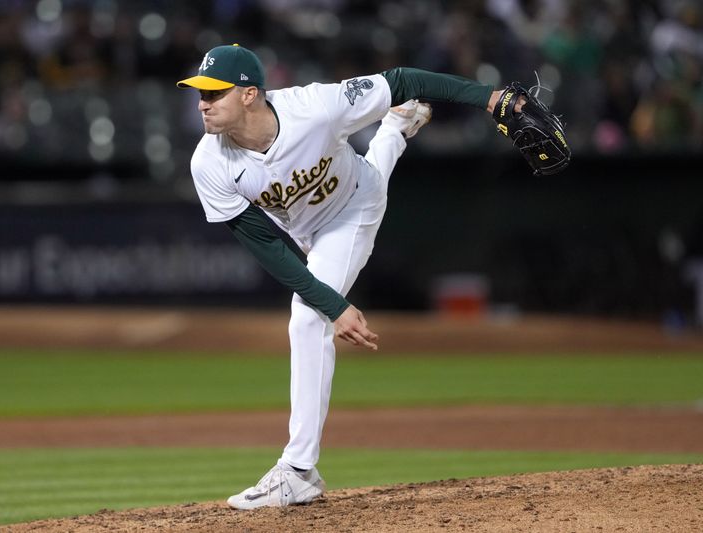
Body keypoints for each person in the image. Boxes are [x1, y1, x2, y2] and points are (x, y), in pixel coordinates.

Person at [177, 44, 521, 510]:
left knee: (305, 320)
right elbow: (269, 247)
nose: (202, 103)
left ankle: (297, 471)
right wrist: (336, 305)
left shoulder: (315, 108)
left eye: (214, 93)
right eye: (200, 93)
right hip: (303, 229)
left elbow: (403, 78)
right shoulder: (209, 163)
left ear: (249, 94)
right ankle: (398, 126)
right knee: (365, 190)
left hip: (351, 210)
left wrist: (490, 97)